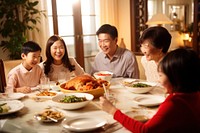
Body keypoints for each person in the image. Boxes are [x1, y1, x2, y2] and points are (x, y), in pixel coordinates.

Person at [99, 47, 200, 133]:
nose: (158, 80)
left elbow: (144, 130)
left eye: (160, 75)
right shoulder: (194, 95)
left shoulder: (174, 103)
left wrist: (113, 111)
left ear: (174, 77)